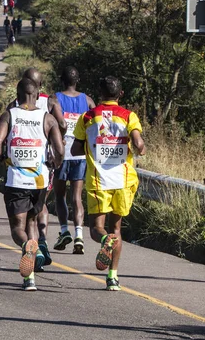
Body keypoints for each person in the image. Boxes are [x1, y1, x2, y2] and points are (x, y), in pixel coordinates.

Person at [71, 76, 146, 291]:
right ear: (120, 94)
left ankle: (105, 242)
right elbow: (139, 143)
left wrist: (92, 145)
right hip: (122, 181)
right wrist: (139, 148)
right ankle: (112, 277)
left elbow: (76, 149)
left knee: (97, 229)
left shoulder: (87, 117)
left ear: (99, 93)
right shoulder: (128, 116)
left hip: (98, 180)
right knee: (116, 229)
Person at [0, 78, 64, 291]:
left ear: (18, 93)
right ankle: (29, 278)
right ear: (37, 94)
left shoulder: (9, 114)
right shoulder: (47, 118)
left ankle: (27, 246)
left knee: (17, 229)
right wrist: (54, 165)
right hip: (39, 180)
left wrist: (4, 158)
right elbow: (59, 150)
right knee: (32, 222)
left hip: (17, 179)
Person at [7, 68, 67, 271]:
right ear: (39, 86)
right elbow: (62, 123)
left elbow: (2, 136)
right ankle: (41, 242)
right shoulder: (49, 102)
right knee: (40, 206)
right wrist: (58, 141)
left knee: (22, 221)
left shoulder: (14, 106)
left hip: (19, 172)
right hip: (44, 166)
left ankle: (34, 248)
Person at [53, 67, 96, 254]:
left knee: (60, 195)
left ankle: (64, 231)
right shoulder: (87, 101)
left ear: (61, 80)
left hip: (62, 154)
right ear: (78, 80)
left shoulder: (54, 99)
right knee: (77, 197)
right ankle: (79, 235)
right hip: (80, 155)